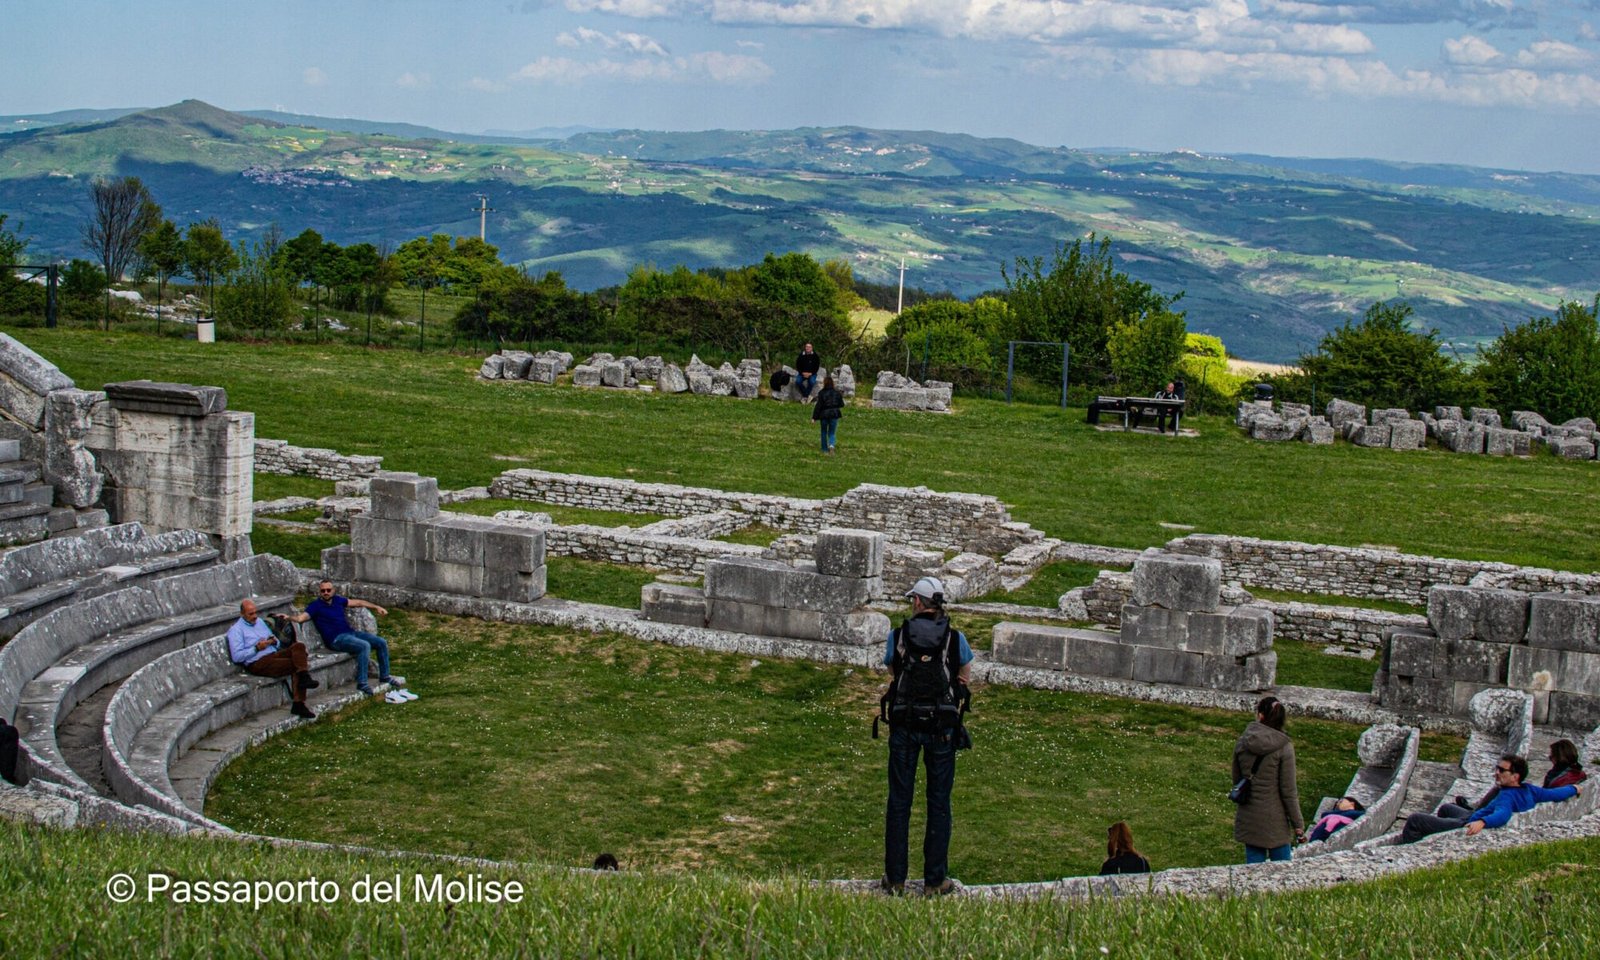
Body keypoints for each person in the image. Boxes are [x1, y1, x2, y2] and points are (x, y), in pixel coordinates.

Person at [880, 576, 973, 896]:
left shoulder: (899, 635)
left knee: (899, 803)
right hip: (941, 729)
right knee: (939, 803)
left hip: (905, 725)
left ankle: (895, 879)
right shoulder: (954, 637)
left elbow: (892, 671)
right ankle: (935, 880)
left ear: (918, 602)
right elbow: (964, 674)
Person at [1400, 754, 1584, 844]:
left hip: (1467, 823)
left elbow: (1503, 814)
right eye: (1497, 768)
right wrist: (1573, 788)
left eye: (1502, 770)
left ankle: (1410, 847)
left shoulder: (1507, 796)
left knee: (1415, 820)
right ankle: (1435, 834)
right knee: (1446, 808)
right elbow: (1555, 794)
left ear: (1515, 776)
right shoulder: (1531, 790)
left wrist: (1482, 821)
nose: (1497, 773)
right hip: (1472, 815)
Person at [285, 580, 408, 699]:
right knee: (364, 646)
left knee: (381, 642)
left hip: (350, 633)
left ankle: (385, 676)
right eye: (323, 591)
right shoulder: (315, 606)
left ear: (333, 590)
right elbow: (301, 618)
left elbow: (358, 602)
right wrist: (288, 617)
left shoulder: (338, 600)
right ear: (320, 592)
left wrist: (376, 607)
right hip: (336, 639)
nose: (326, 592)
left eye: (328, 590)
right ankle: (362, 683)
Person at [1232, 695, 1304, 863]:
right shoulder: (1284, 747)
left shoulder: (1243, 741)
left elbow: (1237, 778)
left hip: (1249, 814)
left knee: (1253, 869)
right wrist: (1298, 824)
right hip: (1275, 818)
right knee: (1281, 871)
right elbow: (1288, 791)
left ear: (1261, 715)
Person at [228, 598, 320, 719]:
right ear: (242, 614)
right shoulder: (236, 630)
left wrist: (272, 641)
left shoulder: (260, 622)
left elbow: (276, 641)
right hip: (257, 662)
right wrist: (256, 648)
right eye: (251, 614)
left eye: (255, 612)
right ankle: (299, 703)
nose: (255, 616)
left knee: (299, 647)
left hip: (273, 653)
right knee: (297, 664)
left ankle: (304, 676)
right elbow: (237, 657)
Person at [812, 375, 844, 454]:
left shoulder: (821, 393)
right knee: (832, 432)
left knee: (823, 431)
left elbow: (818, 406)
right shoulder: (837, 393)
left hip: (824, 415)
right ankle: (831, 445)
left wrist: (814, 417)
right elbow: (842, 404)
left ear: (824, 383)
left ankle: (824, 449)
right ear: (833, 383)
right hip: (834, 414)